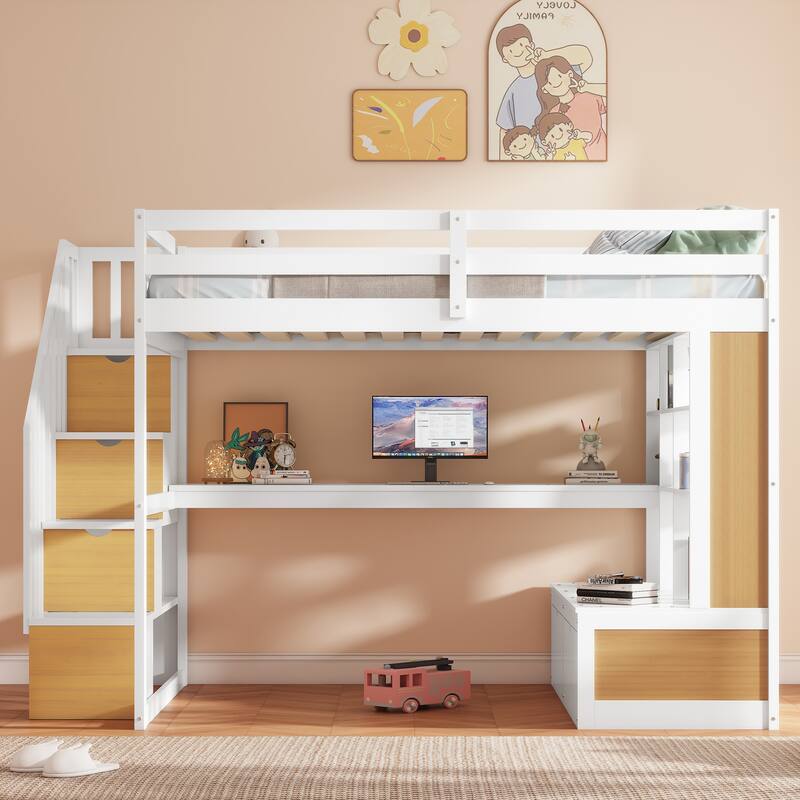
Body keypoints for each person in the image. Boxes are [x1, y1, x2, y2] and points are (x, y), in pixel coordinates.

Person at [494, 24, 592, 158]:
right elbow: (505, 131)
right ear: (505, 59)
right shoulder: (513, 92)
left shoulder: (553, 72)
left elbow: (585, 57)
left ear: (531, 45)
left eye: (522, 45)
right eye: (511, 50)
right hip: (537, 157)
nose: (518, 51)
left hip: (571, 148)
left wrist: (547, 55)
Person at [534, 55, 607, 160]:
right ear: (545, 89)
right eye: (549, 82)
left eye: (559, 76)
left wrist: (588, 87)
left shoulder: (591, 96)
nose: (556, 83)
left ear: (569, 74)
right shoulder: (552, 114)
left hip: (601, 155)